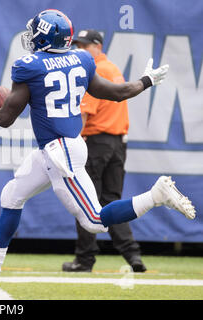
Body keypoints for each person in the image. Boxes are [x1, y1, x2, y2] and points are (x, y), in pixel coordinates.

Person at [0, 9, 196, 285]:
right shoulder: (81, 59)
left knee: (94, 220)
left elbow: (5, 118)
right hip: (57, 148)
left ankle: (157, 194)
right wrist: (146, 81)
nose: (31, 36)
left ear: (45, 37)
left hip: (61, 153)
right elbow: (117, 93)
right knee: (12, 195)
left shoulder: (29, 66)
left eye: (36, 31)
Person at [62, 29, 146, 273]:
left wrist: (70, 141)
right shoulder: (112, 67)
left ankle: (84, 260)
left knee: (86, 201)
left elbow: (85, 114)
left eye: (85, 46)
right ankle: (133, 255)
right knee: (111, 201)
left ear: (97, 46)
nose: (80, 50)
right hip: (118, 144)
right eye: (77, 45)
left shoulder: (94, 69)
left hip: (96, 143)